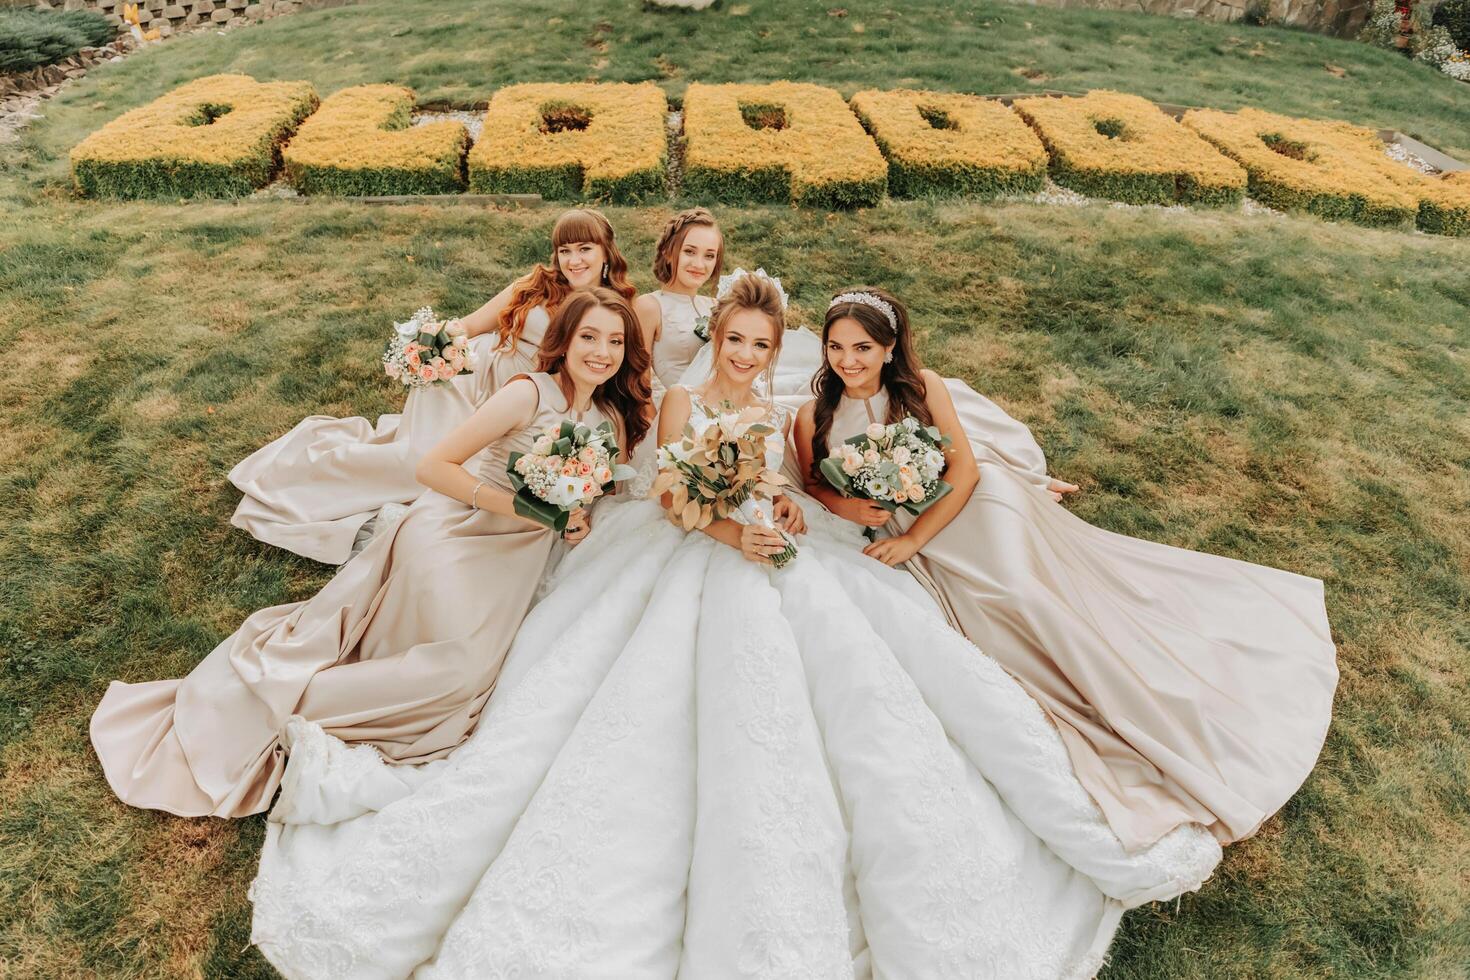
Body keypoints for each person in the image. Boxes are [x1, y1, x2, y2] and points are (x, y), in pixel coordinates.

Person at [249, 272, 1223, 979]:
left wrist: (786, 512)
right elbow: (674, 494)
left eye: (762, 344)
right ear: (715, 337)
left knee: (880, 702)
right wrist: (728, 528)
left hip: (780, 555)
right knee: (588, 718)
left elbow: (796, 480)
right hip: (683, 555)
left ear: (773, 349)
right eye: (736, 341)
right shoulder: (678, 397)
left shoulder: (779, 405)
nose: (747, 356)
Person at [795, 286, 1338, 852]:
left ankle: (1134, 696)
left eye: (862, 347)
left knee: (1022, 593)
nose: (848, 360)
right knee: (992, 622)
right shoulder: (815, 414)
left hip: (973, 509)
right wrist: (849, 506)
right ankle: (1090, 704)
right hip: (909, 530)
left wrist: (915, 539)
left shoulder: (923, 388)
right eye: (836, 347)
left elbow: (965, 467)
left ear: (888, 349)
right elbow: (814, 482)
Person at [91, 288, 651, 819]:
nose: (602, 353)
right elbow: (433, 467)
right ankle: (281, 707)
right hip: (455, 530)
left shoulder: (609, 421)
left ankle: (325, 700)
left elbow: (586, 498)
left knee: (468, 678)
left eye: (615, 342)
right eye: (589, 338)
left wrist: (572, 519)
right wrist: (518, 507)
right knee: (456, 668)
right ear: (565, 341)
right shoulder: (528, 392)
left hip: (518, 559)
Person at [229, 209, 637, 564]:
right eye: (565, 250)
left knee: (450, 468)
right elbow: (473, 324)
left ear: (606, 252)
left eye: (584, 249)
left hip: (529, 401)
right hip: (482, 380)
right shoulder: (535, 285)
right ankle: (315, 481)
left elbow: (621, 368)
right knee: (418, 460)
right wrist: (432, 344)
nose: (573, 259)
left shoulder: (619, 307)